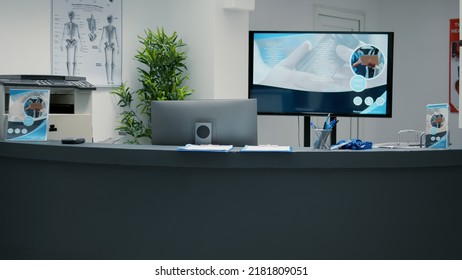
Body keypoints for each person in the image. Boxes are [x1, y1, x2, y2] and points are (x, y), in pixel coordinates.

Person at [99, 15, 119, 84]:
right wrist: (99, 46)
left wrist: (118, 47)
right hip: (107, 46)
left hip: (112, 46)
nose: (109, 20)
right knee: (107, 64)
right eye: (108, 19)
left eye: (110, 19)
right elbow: (102, 37)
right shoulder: (104, 28)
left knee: (112, 63)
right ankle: (108, 80)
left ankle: (111, 79)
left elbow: (116, 38)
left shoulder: (114, 28)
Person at [61, 11, 81, 76]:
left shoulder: (76, 25)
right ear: (68, 16)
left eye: (71, 15)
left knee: (74, 60)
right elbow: (63, 35)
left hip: (74, 44)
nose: (71, 17)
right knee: (69, 61)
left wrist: (77, 42)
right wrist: (63, 43)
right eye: (70, 15)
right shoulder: (65, 25)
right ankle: (69, 75)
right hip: (68, 44)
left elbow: (78, 35)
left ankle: (73, 76)